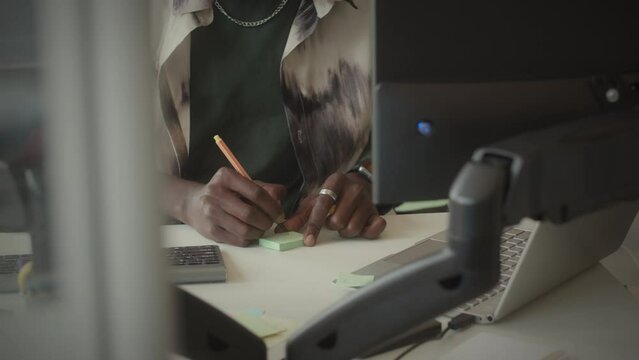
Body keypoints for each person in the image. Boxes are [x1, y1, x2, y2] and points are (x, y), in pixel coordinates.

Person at [156, 0, 386, 247]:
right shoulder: (129, 14)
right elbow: (110, 167)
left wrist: (367, 178)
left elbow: (415, 135)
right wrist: (185, 201)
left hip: (329, 246)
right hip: (168, 251)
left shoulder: (374, 11)